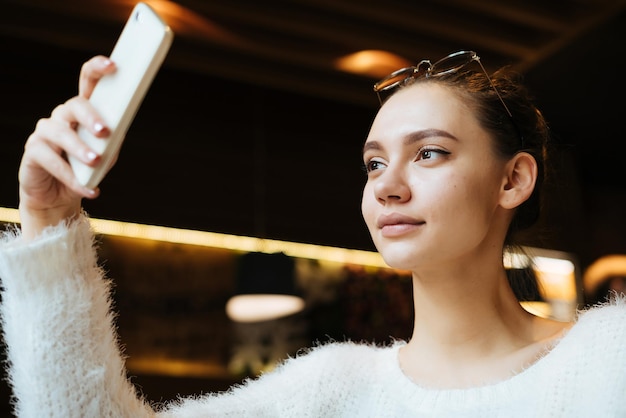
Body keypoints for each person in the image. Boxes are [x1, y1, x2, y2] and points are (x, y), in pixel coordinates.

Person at [0, 50, 624, 417]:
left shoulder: (607, 360)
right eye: (374, 163)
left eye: (429, 153)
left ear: (512, 180)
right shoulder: (330, 390)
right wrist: (49, 219)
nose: (387, 186)